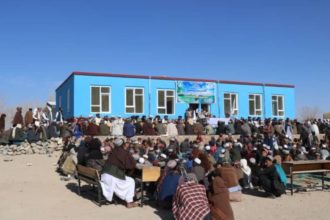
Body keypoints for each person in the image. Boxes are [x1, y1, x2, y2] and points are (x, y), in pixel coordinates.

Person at [100, 138, 138, 208]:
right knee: (131, 181)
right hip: (112, 177)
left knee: (125, 180)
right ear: (123, 145)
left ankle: (124, 197)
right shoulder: (124, 152)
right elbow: (132, 165)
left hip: (104, 175)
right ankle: (129, 202)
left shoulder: (113, 151)